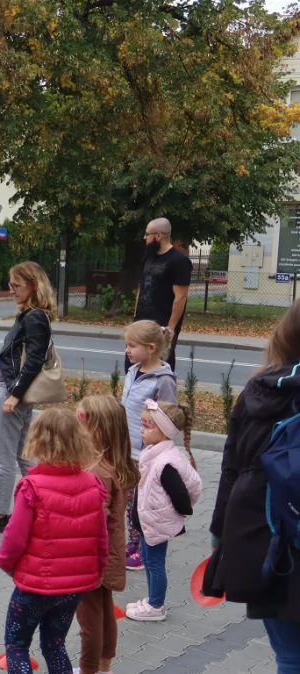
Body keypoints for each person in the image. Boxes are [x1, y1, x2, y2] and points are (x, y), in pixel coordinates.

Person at [203, 299, 300, 668]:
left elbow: (231, 468)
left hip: (264, 542)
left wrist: (219, 536)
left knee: (291, 657)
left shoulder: (259, 391)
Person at [0, 407, 108, 674]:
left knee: (17, 645)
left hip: (34, 586)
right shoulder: (92, 484)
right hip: (73, 588)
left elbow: (14, 537)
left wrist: (5, 563)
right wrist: (95, 571)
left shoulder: (32, 487)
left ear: (38, 440)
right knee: (55, 645)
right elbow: (100, 538)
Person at [0, 261, 55, 534]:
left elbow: (34, 361)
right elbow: (9, 355)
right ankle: (42, 508)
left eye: (17, 285)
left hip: (15, 392)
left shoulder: (34, 317)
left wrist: (14, 394)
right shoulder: (28, 315)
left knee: (4, 456)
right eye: (11, 285)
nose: (12, 290)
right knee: (22, 454)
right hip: (10, 388)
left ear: (33, 285)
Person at [75, 395, 139, 674]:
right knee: (102, 608)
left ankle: (89, 669)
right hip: (107, 551)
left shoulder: (96, 472)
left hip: (90, 555)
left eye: (79, 420)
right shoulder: (111, 463)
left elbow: (92, 520)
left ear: (97, 429)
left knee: (88, 618)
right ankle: (104, 667)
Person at [125, 400, 202, 622]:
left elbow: (180, 496)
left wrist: (177, 513)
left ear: (164, 431)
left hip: (156, 522)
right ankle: (151, 599)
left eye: (148, 426)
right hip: (149, 520)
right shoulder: (156, 455)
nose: (142, 430)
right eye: (143, 424)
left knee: (155, 563)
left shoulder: (165, 462)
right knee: (150, 562)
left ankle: (156, 605)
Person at [120, 319, 178, 570]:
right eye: (127, 345)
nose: (127, 350)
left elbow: (167, 418)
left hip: (146, 453)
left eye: (132, 345)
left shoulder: (163, 380)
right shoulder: (133, 372)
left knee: (142, 505)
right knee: (129, 502)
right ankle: (133, 543)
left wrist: (155, 450)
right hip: (127, 449)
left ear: (151, 347)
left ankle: (143, 549)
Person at [131, 218, 192, 371]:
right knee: (134, 365)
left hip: (161, 326)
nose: (145, 238)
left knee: (159, 369)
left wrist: (170, 328)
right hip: (141, 322)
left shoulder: (179, 261)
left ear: (158, 236)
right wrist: (135, 315)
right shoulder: (149, 257)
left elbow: (181, 297)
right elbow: (142, 287)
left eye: (147, 234)